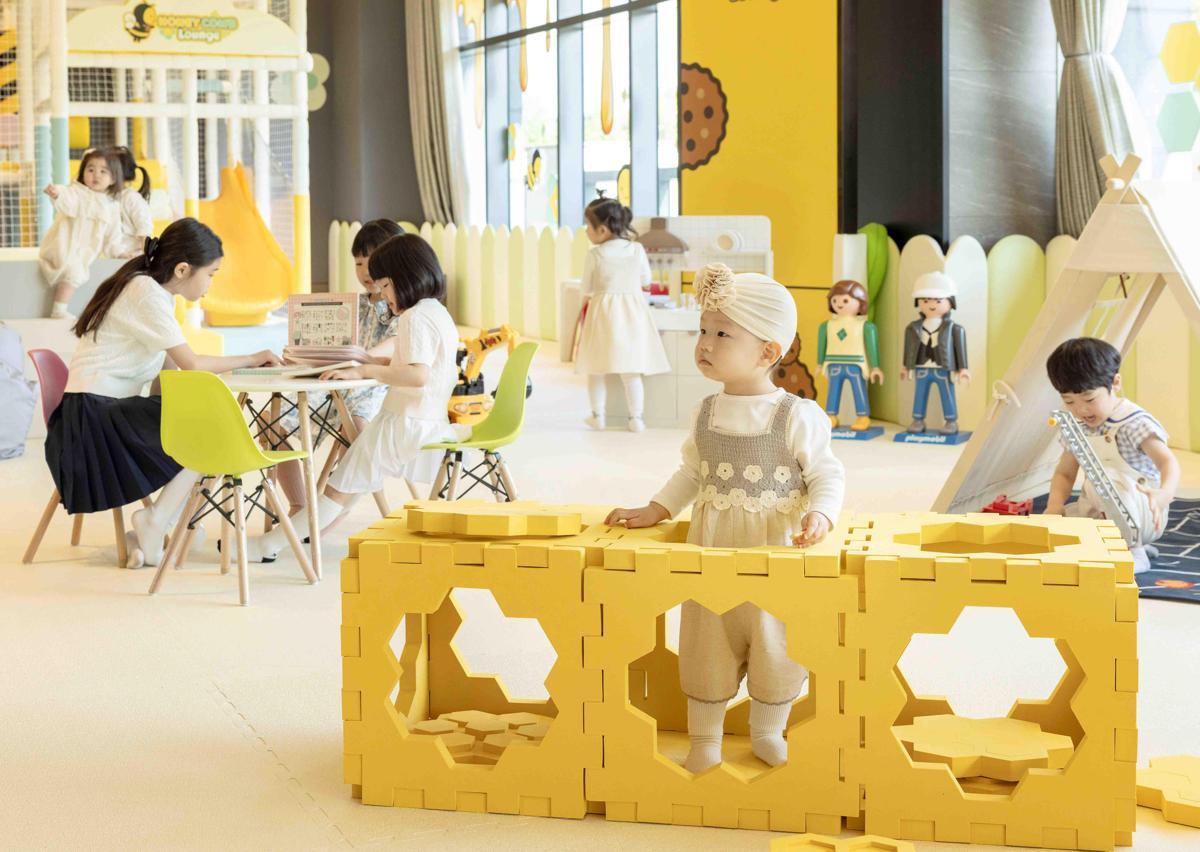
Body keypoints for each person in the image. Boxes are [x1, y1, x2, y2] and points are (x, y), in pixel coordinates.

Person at [604, 263, 845, 773]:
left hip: (773, 554)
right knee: (705, 647)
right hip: (711, 553)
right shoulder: (706, 412)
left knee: (776, 647)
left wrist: (821, 514)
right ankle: (705, 741)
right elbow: (692, 473)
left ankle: (767, 732)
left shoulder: (796, 415)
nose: (705, 344)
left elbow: (827, 473)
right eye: (703, 331)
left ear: (767, 352)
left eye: (721, 334)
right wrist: (657, 508)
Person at [45, 218, 281, 568]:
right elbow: (191, 364)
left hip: (93, 412)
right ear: (183, 269)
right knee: (210, 434)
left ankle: (155, 530)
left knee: (200, 428)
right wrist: (252, 357)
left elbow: (169, 374)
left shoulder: (148, 290)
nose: (211, 284)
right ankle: (157, 523)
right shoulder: (146, 294)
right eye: (211, 274)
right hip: (93, 423)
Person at [240, 234, 459, 562]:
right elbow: (416, 366)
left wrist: (365, 371)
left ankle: (270, 544)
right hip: (423, 420)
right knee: (350, 484)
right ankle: (285, 540)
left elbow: (417, 375)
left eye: (385, 286)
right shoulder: (435, 311)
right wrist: (367, 363)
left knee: (339, 488)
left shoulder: (414, 317)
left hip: (402, 423)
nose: (382, 295)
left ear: (404, 277)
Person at [268, 219, 405, 513]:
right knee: (270, 421)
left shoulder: (403, 307)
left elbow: (395, 344)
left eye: (373, 262)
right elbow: (329, 348)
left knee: (356, 426)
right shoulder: (351, 305)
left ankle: (333, 506)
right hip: (334, 383)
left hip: (375, 388)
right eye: (358, 263)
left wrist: (360, 357)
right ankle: (299, 504)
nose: (365, 271)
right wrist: (303, 356)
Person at [1044, 337, 1179, 574]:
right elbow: (1065, 473)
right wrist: (1054, 506)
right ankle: (1116, 543)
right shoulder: (1078, 426)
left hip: (1143, 510)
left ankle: (1134, 550)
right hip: (1099, 508)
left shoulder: (1134, 423)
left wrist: (1164, 494)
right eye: (1069, 401)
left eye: (1089, 399)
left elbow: (1167, 462)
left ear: (1115, 383)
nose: (1081, 409)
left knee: (1105, 479)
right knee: (1065, 529)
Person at [574, 196, 669, 432]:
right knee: (631, 370)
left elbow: (586, 288)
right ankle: (636, 419)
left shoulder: (595, 255)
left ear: (602, 229)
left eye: (588, 226)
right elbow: (646, 280)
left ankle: (598, 416)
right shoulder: (636, 249)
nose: (586, 231)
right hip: (631, 313)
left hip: (602, 313)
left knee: (596, 368)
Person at [38, 148, 129, 319]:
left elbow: (113, 235)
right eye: (90, 169)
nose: (96, 175)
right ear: (83, 172)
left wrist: (119, 252)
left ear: (113, 178)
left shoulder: (111, 206)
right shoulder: (77, 192)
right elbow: (66, 197)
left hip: (85, 250)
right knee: (74, 270)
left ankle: (62, 309)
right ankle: (58, 310)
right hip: (64, 244)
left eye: (103, 171)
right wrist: (56, 193)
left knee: (77, 269)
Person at [900, 271, 970, 434]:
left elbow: (959, 348)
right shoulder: (913, 328)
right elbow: (909, 348)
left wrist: (963, 368)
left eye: (938, 301)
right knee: (920, 393)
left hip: (943, 367)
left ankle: (951, 421)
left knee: (947, 393)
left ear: (950, 303)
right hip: (922, 367)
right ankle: (918, 419)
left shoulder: (954, 329)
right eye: (926, 301)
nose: (932, 305)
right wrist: (906, 366)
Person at [816, 279, 883, 430]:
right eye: (835, 300)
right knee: (833, 391)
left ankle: (863, 416)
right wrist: (820, 363)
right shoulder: (826, 326)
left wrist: (875, 367)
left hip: (855, 364)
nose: (839, 304)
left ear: (860, 302)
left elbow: (871, 347)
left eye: (845, 300)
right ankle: (831, 416)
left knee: (858, 389)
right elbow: (822, 345)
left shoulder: (865, 326)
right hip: (833, 363)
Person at [109, 146, 155, 258]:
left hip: (130, 257)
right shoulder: (103, 197)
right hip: (111, 257)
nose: (99, 174)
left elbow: (145, 229)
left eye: (104, 170)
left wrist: (142, 256)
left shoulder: (131, 198)